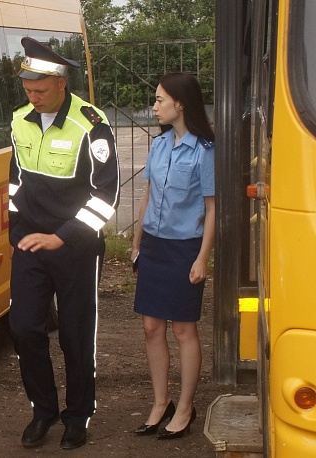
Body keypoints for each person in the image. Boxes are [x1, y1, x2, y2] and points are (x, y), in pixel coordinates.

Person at [8, 37, 120, 451]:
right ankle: (43, 410)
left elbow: (106, 197)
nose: (32, 97)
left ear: (60, 83)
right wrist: (17, 231)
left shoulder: (91, 124)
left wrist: (62, 237)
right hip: (31, 244)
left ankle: (77, 415)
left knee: (75, 335)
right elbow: (15, 181)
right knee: (23, 328)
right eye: (28, 89)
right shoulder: (20, 119)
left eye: (40, 90)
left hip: (75, 246)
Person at [131, 72, 215, 440]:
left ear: (180, 104)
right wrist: (136, 244)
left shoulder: (204, 151)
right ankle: (160, 402)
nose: (154, 107)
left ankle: (185, 407)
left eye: (159, 99)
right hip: (153, 245)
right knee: (151, 328)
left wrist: (202, 258)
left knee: (183, 329)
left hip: (184, 249)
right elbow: (147, 197)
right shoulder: (160, 145)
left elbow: (213, 209)